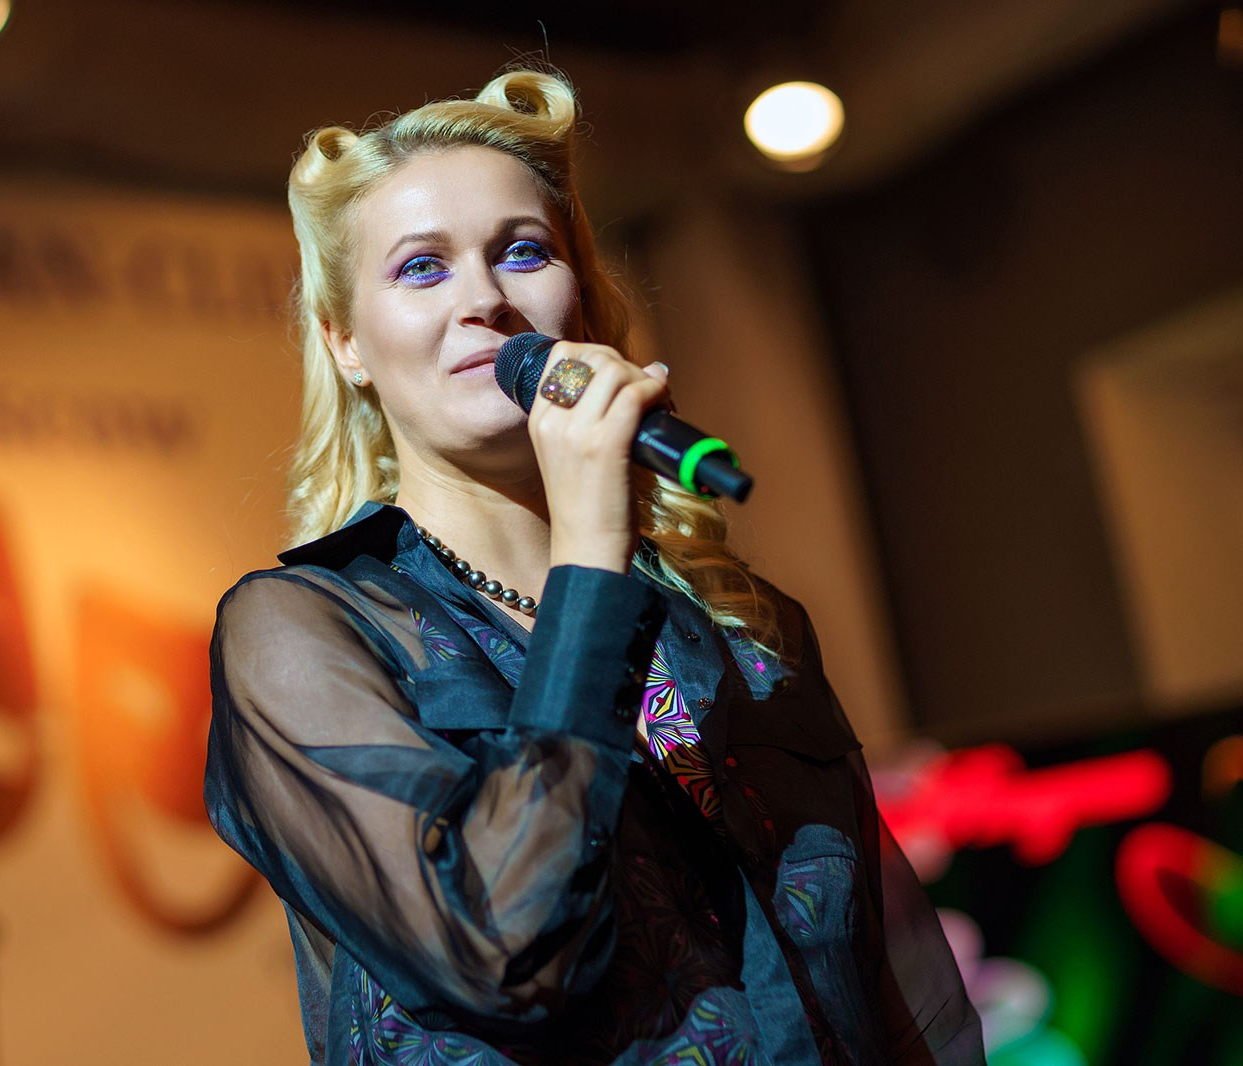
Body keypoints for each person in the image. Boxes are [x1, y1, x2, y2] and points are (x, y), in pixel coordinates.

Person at [204, 68, 985, 1066]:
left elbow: (895, 990)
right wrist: (586, 552)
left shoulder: (743, 626)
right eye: (422, 268)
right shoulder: (303, 632)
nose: (485, 299)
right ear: (346, 343)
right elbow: (501, 949)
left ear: (578, 301)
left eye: (522, 251)